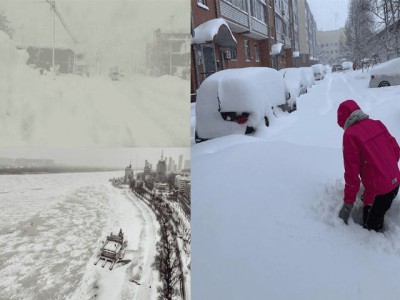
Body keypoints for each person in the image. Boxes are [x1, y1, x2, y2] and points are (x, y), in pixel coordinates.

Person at [337, 99, 400, 231]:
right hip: (396, 183)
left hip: (378, 193)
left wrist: (348, 204)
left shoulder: (350, 135)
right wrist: (384, 169)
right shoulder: (377, 124)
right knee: (378, 206)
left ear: (344, 121)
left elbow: (352, 175)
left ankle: (374, 248)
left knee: (370, 229)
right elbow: (396, 151)